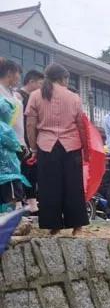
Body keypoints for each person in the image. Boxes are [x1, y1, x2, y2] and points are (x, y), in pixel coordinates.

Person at [24, 63, 88, 235]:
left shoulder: (35, 95)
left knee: (48, 186)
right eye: (67, 78)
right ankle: (77, 227)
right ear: (62, 78)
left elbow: (30, 125)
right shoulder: (74, 97)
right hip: (71, 145)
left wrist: (33, 148)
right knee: (74, 186)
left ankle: (54, 226)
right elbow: (81, 125)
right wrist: (85, 149)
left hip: (46, 145)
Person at [16, 70, 44, 212]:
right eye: (40, 83)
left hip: (32, 141)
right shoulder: (18, 96)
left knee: (32, 172)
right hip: (20, 140)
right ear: (31, 82)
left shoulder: (36, 98)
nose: (42, 87)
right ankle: (18, 203)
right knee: (21, 171)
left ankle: (32, 203)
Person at [0, 59, 23, 146]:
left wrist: (22, 143)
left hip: (15, 144)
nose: (20, 78)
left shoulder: (14, 95)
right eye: (18, 74)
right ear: (9, 73)